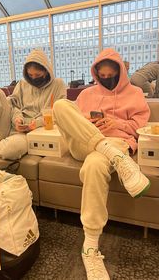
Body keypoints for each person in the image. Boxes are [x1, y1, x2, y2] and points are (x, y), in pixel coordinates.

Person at [52, 48, 150, 280]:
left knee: (95, 164)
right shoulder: (85, 94)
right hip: (84, 144)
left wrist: (115, 122)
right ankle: (117, 158)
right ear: (96, 74)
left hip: (116, 141)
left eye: (111, 76)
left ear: (120, 73)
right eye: (102, 76)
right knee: (60, 106)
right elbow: (71, 120)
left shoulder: (135, 92)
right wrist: (89, 123)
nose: (106, 80)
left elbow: (140, 126)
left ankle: (90, 247)